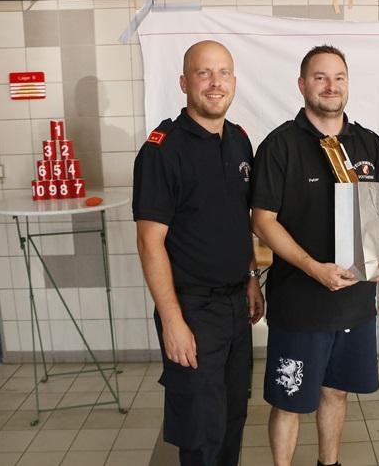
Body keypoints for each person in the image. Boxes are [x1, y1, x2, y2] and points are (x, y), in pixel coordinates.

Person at [251, 45, 379, 466]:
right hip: (299, 305)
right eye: (320, 77)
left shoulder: (368, 143)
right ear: (302, 84)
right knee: (289, 400)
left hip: (354, 304)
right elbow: (263, 220)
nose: (330, 85)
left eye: (339, 77)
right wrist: (312, 268)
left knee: (336, 391)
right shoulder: (280, 146)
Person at [133, 40, 264, 466]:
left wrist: (250, 279)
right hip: (191, 309)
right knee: (200, 432)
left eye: (223, 73)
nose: (215, 83)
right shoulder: (163, 150)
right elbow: (149, 241)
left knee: (232, 418)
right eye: (203, 73)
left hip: (234, 305)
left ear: (234, 82)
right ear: (184, 82)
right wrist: (172, 320)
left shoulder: (239, 141)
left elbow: (238, 220)